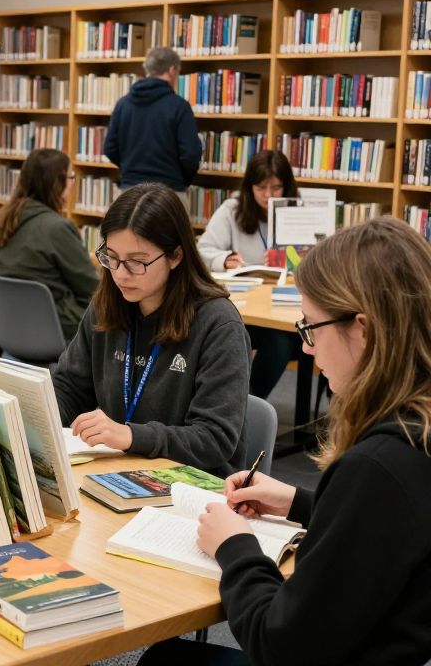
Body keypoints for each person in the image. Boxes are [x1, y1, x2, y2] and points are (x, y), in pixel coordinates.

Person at [139, 217, 431, 666]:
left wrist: (235, 546)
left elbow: (278, 644)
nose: (307, 348)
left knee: (166, 662)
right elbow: (385, 528)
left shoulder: (378, 465)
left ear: (363, 329)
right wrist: (298, 502)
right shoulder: (414, 435)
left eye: (311, 328)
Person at [53, 183, 250, 476]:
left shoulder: (218, 325)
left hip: (189, 484)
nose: (120, 274)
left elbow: (214, 439)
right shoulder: (108, 304)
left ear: (176, 256)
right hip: (119, 469)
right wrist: (34, 416)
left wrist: (132, 436)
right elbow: (69, 387)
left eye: (137, 262)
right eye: (112, 257)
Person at [198, 149, 301, 398]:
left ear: (286, 187)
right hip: (247, 310)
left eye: (276, 188)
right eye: (261, 188)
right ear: (249, 187)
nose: (268, 196)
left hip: (285, 308)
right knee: (248, 337)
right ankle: (242, 406)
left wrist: (295, 259)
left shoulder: (299, 213)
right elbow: (202, 250)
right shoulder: (232, 210)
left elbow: (315, 259)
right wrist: (225, 260)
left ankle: (250, 403)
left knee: (282, 339)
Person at [0, 147, 97, 341]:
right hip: (57, 331)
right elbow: (92, 289)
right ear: (58, 183)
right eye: (71, 177)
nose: (72, 184)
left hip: (10, 332)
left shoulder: (1, 221)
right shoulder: (57, 229)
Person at [104, 46, 202, 201]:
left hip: (129, 192)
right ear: (172, 70)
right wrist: (180, 180)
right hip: (169, 193)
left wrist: (130, 170)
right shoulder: (179, 106)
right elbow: (190, 154)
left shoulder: (123, 104)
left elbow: (110, 148)